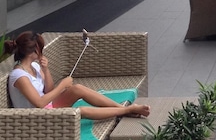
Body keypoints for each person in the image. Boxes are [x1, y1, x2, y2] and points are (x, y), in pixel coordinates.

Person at [6, 31, 150, 119]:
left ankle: (119, 107)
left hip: (47, 108)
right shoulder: (19, 76)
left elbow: (48, 91)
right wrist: (62, 85)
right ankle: (126, 110)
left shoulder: (35, 66)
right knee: (79, 111)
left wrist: (46, 70)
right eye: (40, 49)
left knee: (78, 88)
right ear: (34, 52)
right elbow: (39, 103)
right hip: (37, 117)